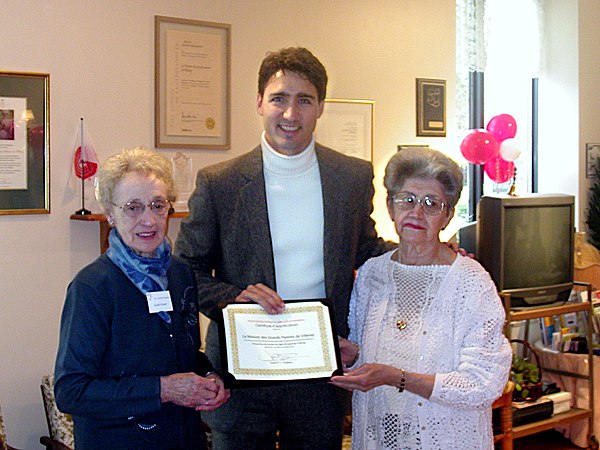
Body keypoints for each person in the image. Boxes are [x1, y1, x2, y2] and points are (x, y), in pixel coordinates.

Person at [175, 47, 394, 449]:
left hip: (319, 369)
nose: (290, 114)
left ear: (320, 107)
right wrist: (234, 297)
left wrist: (428, 255)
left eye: (304, 100)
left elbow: (365, 249)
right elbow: (184, 270)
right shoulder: (219, 183)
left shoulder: (351, 177)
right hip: (243, 370)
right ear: (260, 102)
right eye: (279, 98)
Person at [330, 147, 512, 449]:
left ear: (448, 216)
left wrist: (396, 377)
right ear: (390, 207)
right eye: (407, 200)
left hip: (446, 440)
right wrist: (354, 353)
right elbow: (379, 355)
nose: (416, 213)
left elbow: (483, 384)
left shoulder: (471, 282)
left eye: (431, 203)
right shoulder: (372, 274)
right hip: (379, 436)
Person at [54, 147, 229, 449]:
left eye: (157, 205)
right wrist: (163, 389)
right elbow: (72, 391)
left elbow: (186, 353)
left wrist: (210, 376)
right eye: (133, 207)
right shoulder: (92, 287)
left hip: (183, 438)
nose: (148, 220)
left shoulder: (180, 274)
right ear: (110, 213)